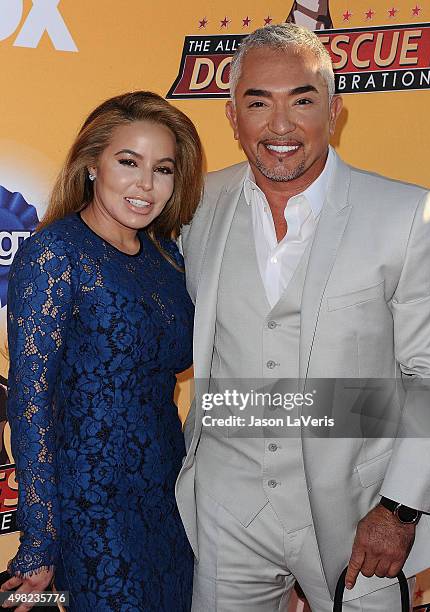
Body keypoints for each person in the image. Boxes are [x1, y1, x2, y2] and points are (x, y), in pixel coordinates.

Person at [175, 24, 430, 612]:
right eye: (258, 102)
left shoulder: (408, 215)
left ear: (335, 110)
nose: (280, 126)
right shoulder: (195, 204)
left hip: (360, 510)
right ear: (231, 115)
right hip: (227, 506)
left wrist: (399, 508)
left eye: (302, 100)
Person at [1, 91, 203, 611]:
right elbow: (30, 405)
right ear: (92, 164)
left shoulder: (166, 256)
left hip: (170, 496)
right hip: (92, 506)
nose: (145, 185)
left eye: (163, 169)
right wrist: (40, 539)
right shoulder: (55, 253)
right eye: (128, 162)